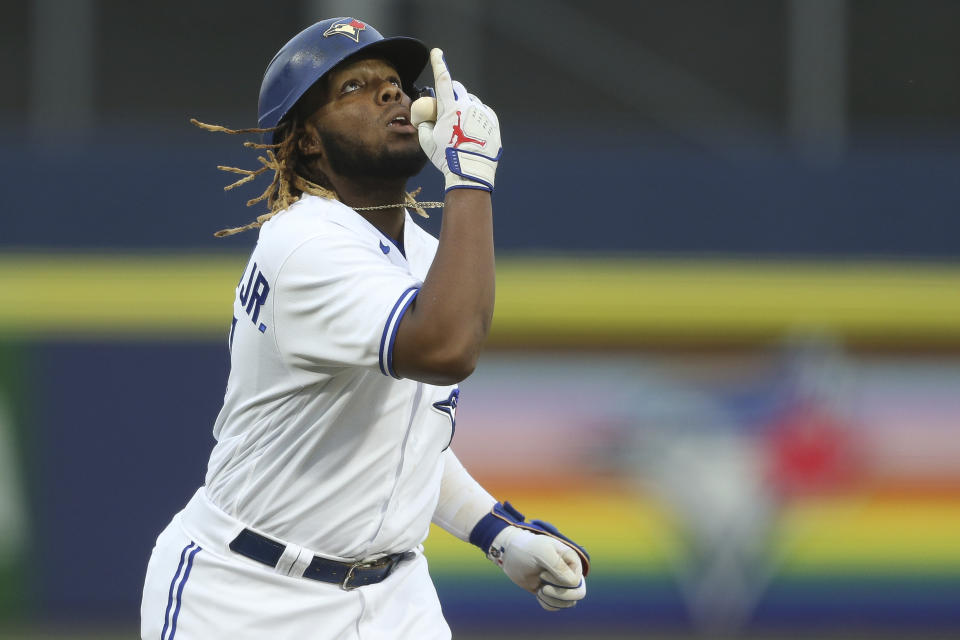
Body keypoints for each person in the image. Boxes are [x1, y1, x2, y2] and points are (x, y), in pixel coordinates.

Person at [140, 17, 588, 640]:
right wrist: (471, 177)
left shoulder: (431, 255)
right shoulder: (304, 241)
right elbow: (446, 350)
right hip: (249, 593)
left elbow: (407, 438)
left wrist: (497, 532)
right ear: (308, 143)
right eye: (353, 87)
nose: (392, 94)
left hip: (394, 599)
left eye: (393, 83)